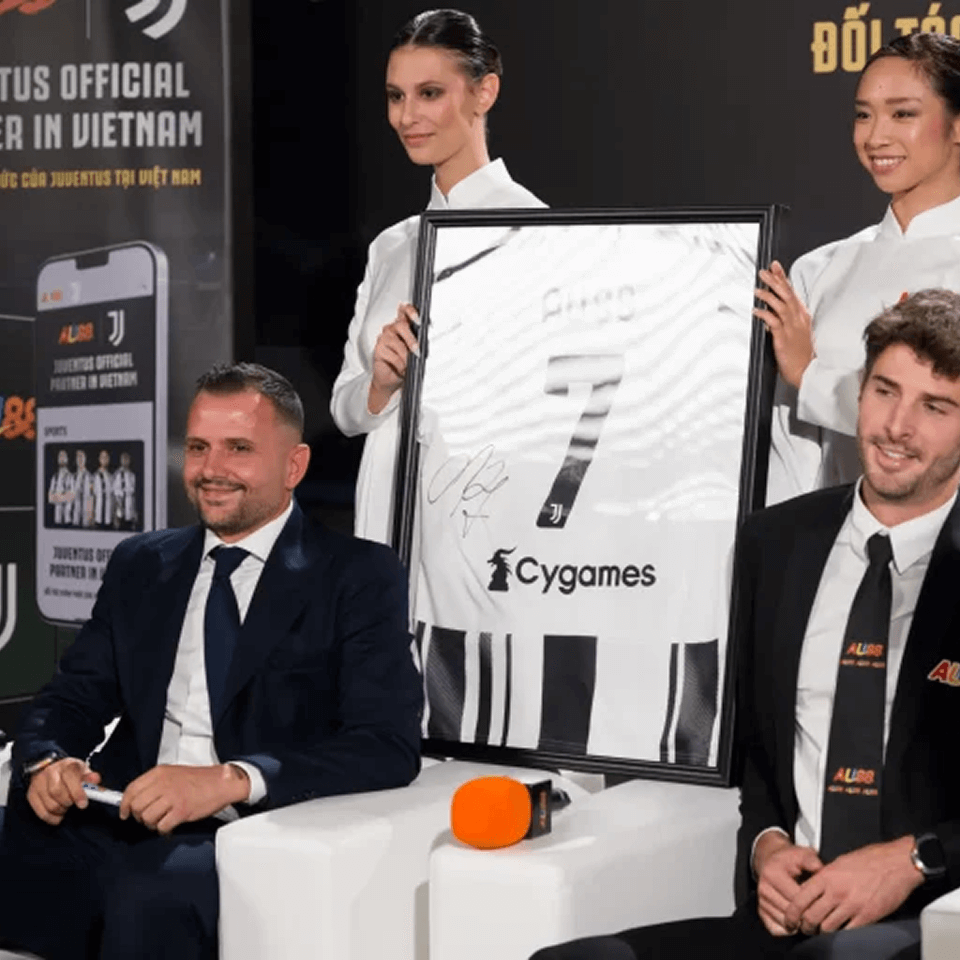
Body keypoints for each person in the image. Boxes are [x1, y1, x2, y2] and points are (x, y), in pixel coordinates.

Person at [531, 288, 960, 959]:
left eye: (935, 407)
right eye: (885, 391)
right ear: (859, 392)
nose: (897, 426)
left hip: (931, 921)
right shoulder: (777, 543)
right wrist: (767, 847)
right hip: (787, 923)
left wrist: (912, 860)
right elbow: (759, 757)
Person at [0, 362, 423, 960]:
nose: (210, 469)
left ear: (294, 466)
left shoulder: (357, 575)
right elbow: (73, 697)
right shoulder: (142, 563)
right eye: (198, 447)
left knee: (147, 896)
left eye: (239, 449)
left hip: (243, 830)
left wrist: (230, 779)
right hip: (118, 811)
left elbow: (386, 743)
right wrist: (49, 759)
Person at [330, 7, 545, 544]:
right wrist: (381, 385)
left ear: (484, 92)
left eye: (429, 93)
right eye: (395, 96)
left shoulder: (537, 235)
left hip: (485, 524)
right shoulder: (392, 247)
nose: (407, 116)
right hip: (384, 521)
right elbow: (345, 410)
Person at [761, 31, 960, 504]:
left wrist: (811, 377)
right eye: (863, 115)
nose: (875, 137)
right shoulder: (819, 269)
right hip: (835, 536)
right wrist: (786, 538)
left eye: (903, 114)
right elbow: (790, 445)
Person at [47, 447, 74, 525]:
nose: (62, 458)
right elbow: (50, 498)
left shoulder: (71, 477)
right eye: (60, 456)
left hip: (67, 519)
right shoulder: (54, 477)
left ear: (67, 459)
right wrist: (63, 497)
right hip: (57, 520)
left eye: (63, 456)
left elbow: (71, 497)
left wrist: (57, 497)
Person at [112, 449, 137, 530]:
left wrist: (134, 512)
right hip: (120, 506)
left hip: (129, 506)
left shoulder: (132, 475)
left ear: (129, 461)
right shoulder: (117, 474)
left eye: (127, 459)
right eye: (123, 458)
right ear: (121, 460)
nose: (125, 461)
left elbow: (133, 492)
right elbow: (114, 491)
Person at [93, 448, 115, 529]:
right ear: (99, 459)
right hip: (98, 518)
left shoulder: (111, 477)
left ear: (109, 459)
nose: (104, 459)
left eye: (106, 457)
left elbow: (113, 497)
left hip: (109, 518)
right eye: (102, 457)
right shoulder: (94, 476)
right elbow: (91, 497)